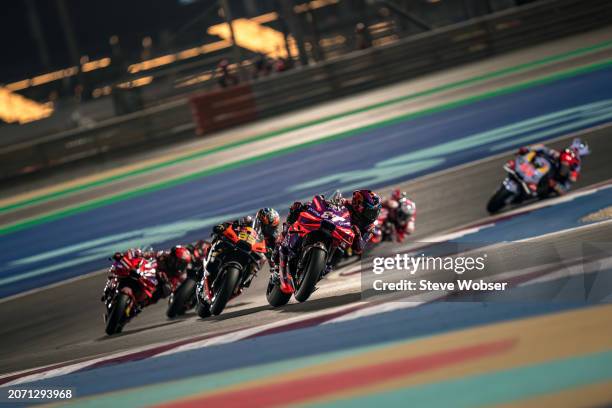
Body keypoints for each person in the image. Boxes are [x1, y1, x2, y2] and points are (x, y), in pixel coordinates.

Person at [285, 189, 382, 255]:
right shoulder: (347, 204)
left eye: (373, 212)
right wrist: (309, 206)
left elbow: (359, 248)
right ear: (357, 204)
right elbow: (328, 204)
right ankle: (288, 240)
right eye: (369, 211)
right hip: (331, 228)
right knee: (301, 212)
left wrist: (358, 235)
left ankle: (323, 267)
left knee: (340, 250)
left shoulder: (370, 227)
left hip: (340, 245)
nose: (371, 215)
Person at [517, 138, 589, 195]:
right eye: (573, 150)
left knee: (554, 186)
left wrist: (557, 186)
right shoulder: (559, 154)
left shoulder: (576, 167)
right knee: (538, 150)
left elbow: (570, 182)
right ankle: (522, 162)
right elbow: (544, 149)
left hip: (551, 177)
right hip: (547, 164)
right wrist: (527, 149)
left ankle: (537, 188)